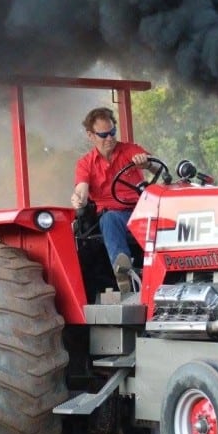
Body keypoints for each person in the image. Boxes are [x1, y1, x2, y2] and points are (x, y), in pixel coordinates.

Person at [70, 107, 154, 294]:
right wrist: (79, 199)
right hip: (116, 218)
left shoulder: (130, 150)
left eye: (113, 132)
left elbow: (157, 167)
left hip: (143, 212)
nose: (110, 138)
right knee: (109, 219)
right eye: (104, 135)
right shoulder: (85, 164)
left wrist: (147, 163)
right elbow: (81, 190)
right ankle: (123, 271)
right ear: (91, 135)